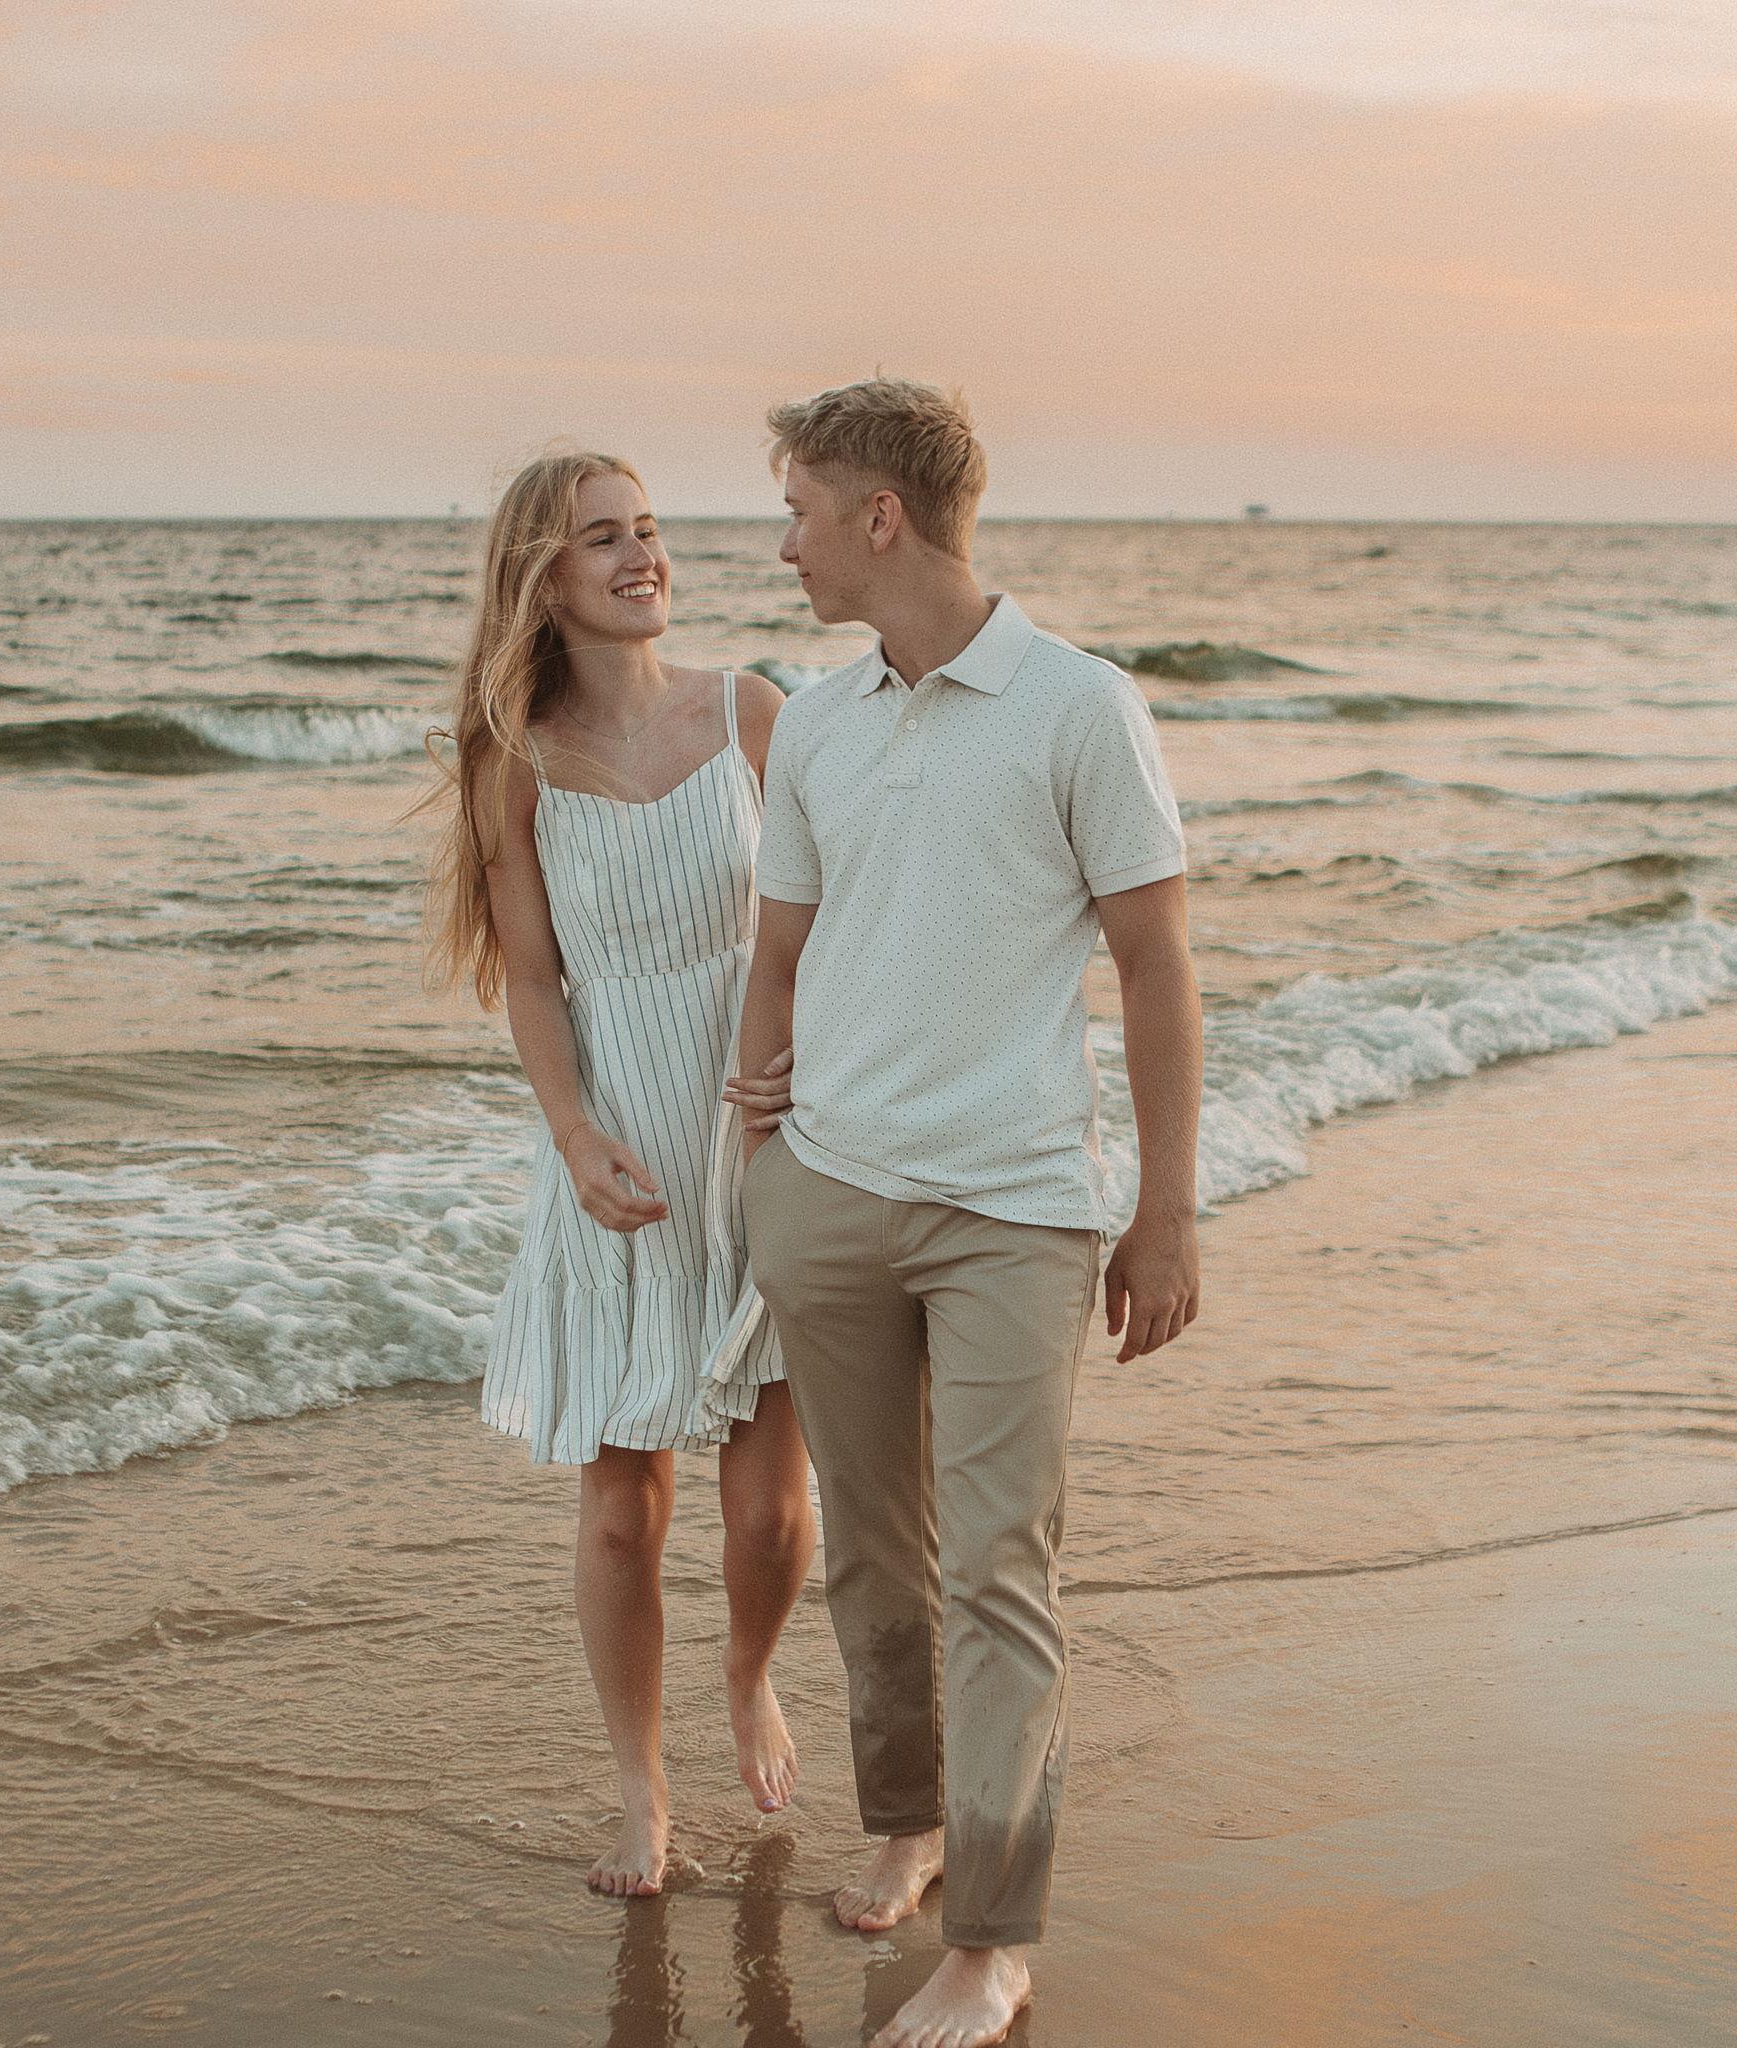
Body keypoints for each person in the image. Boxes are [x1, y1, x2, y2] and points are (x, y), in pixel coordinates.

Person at [727, 380, 1204, 2048]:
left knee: (1002, 1568)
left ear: (881, 517)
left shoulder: (1080, 707)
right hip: (829, 1195)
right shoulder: (822, 722)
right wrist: (756, 1158)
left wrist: (1165, 1211)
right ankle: (912, 1822)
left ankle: (997, 1940)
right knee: (873, 1558)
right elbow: (781, 951)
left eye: (798, 508)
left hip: (1012, 1211)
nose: (779, 542)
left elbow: (1153, 962)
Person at [424, 450, 815, 1899]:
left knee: (770, 1509)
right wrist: (575, 1135)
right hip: (621, 1140)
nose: (643, 555)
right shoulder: (513, 760)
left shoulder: (754, 713)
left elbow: (836, 910)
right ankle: (642, 1793)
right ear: (546, 575)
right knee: (620, 1499)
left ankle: (749, 1671)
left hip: (763, 1125)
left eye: (648, 530)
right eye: (606, 539)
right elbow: (531, 978)